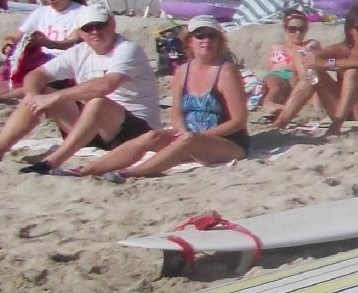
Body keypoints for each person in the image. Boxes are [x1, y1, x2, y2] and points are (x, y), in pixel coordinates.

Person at [0, 5, 162, 168]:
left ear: (112, 24)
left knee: (96, 102)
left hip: (135, 129)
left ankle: (52, 162)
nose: (95, 32)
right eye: (88, 28)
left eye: (99, 25)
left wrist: (56, 97)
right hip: (92, 128)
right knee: (41, 91)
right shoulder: (80, 51)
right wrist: (34, 95)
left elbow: (106, 85)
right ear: (80, 32)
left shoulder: (127, 50)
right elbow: (37, 74)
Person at [72, 16, 250, 178]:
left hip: (227, 142)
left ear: (220, 41)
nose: (206, 40)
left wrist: (199, 136)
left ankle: (130, 173)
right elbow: (176, 114)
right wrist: (182, 132)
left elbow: (238, 121)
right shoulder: (182, 71)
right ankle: (89, 170)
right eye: (200, 36)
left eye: (212, 36)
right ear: (189, 41)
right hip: (189, 136)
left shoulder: (226, 72)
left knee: (189, 140)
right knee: (153, 136)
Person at [265, 4, 358, 133]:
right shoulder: (344, 48)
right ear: (350, 30)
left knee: (353, 72)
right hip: (345, 108)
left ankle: (336, 125)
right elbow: (315, 58)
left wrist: (328, 64)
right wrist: (315, 59)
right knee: (313, 73)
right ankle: (282, 121)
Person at [0, 0, 87, 102]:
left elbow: (72, 41)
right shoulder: (41, 12)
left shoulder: (81, 13)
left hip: (63, 63)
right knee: (5, 81)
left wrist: (48, 43)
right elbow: (15, 36)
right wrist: (9, 44)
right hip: (38, 61)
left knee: (32, 82)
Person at [260, 7, 316, 110]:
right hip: (277, 74)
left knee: (293, 81)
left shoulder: (309, 44)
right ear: (286, 29)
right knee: (275, 87)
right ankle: (269, 104)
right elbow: (269, 68)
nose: (297, 33)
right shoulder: (276, 47)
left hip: (298, 78)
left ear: (307, 29)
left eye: (301, 29)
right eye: (293, 29)